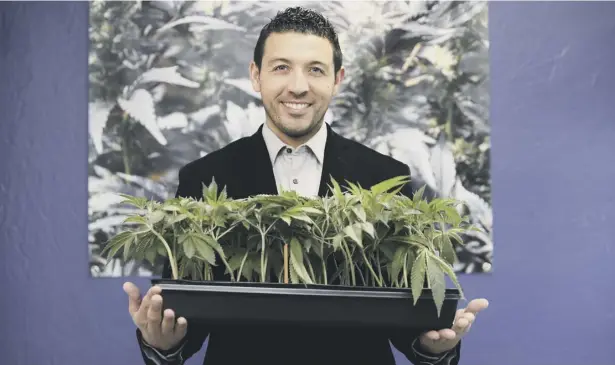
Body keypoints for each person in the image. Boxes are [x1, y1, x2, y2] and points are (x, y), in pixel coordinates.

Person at [122, 6, 489, 365]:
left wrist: (434, 347)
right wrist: (162, 343)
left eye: (315, 70)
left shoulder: (385, 176)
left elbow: (407, 323)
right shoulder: (204, 177)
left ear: (337, 79)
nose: (298, 86)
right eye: (281, 68)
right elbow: (187, 320)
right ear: (256, 75)